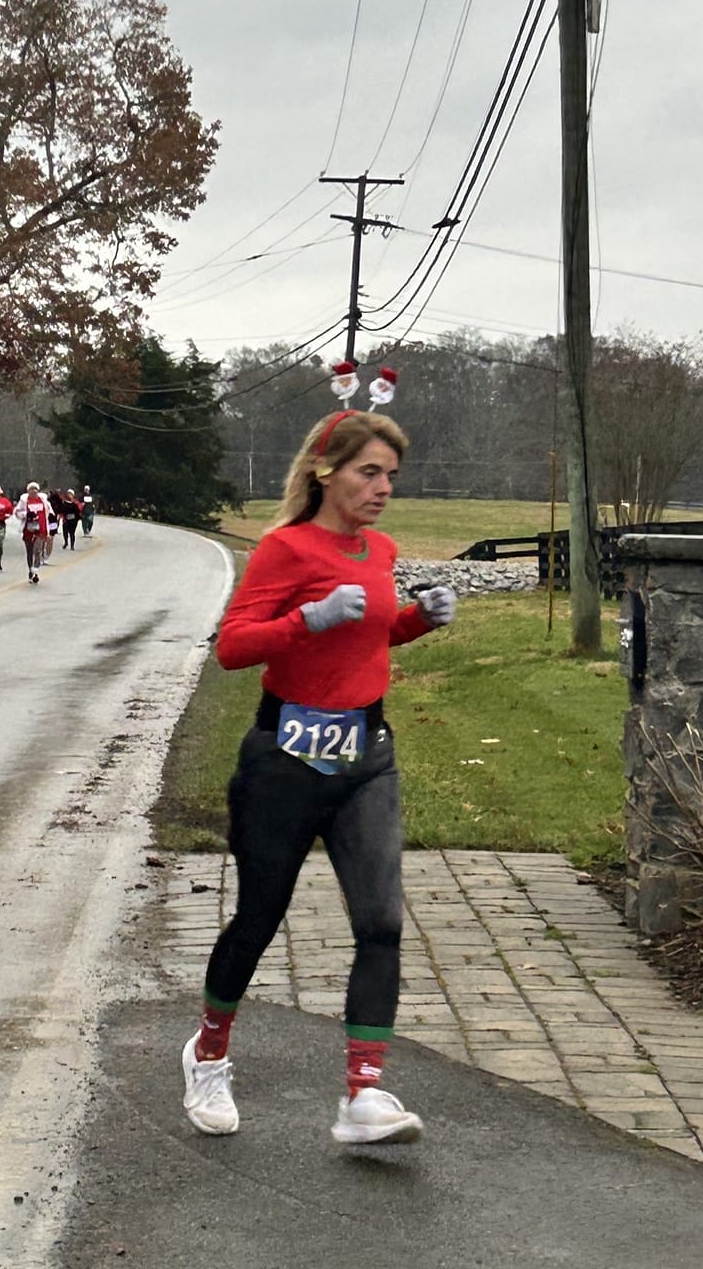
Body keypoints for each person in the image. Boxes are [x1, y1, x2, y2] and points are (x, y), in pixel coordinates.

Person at [179, 409, 457, 1145]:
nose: (383, 487)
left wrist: (418, 618)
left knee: (382, 923)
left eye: (391, 475)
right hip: (284, 759)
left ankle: (363, 1095)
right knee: (260, 918)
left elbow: (372, 629)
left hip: (367, 757)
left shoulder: (381, 547)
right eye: (370, 471)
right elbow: (235, 648)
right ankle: (208, 1053)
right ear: (325, 471)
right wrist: (310, 618)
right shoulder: (283, 549)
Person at [15, 481, 58, 584]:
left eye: (35, 489)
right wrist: (26, 514)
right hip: (28, 529)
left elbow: (49, 513)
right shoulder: (24, 500)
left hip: (40, 529)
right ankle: (30, 570)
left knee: (38, 550)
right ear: (28, 491)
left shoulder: (43, 500)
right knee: (30, 551)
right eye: (31, 489)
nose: (34, 491)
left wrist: (49, 529)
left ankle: (36, 571)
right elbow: (17, 512)